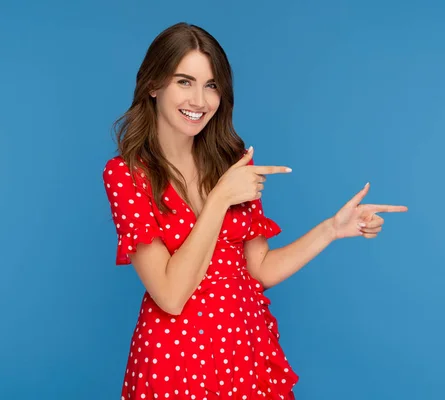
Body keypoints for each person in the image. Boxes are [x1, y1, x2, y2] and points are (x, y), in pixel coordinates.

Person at [102, 22, 407, 400]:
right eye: (184, 81)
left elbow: (258, 268)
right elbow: (170, 295)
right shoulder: (127, 175)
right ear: (154, 85)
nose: (199, 100)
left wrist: (331, 229)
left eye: (211, 85)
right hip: (176, 359)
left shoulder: (231, 163)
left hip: (246, 348)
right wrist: (218, 200)